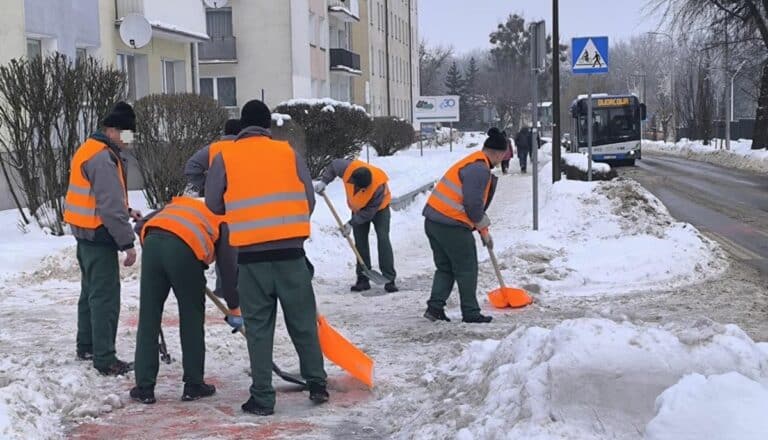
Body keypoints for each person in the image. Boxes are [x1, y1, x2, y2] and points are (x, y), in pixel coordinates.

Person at [206, 100, 328, 416]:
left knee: (259, 329)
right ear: (267, 126)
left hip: (251, 258)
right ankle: (316, 383)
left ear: (242, 126)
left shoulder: (225, 156)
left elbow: (213, 204)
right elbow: (308, 199)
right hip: (291, 255)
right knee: (302, 322)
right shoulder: (288, 153)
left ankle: (262, 397)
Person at [130, 196, 241, 404]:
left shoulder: (183, 204)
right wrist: (234, 306)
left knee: (149, 316)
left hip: (153, 244)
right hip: (183, 251)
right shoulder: (224, 221)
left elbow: (141, 225)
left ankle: (144, 387)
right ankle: (194, 384)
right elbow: (227, 269)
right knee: (191, 317)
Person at [64, 101, 140, 376]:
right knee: (105, 297)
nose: (130, 140)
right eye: (128, 134)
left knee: (90, 294)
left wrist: (127, 210)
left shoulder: (89, 149)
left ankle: (87, 345)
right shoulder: (103, 157)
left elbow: (98, 196)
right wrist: (127, 243)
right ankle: (105, 358)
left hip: (84, 232)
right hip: (98, 235)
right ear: (113, 130)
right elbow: (108, 204)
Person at [421, 127, 506, 324]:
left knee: (445, 268)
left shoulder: (473, 161)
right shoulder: (479, 169)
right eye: (503, 155)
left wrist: (482, 230)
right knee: (467, 268)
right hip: (452, 225)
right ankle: (470, 312)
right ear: (497, 153)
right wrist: (482, 224)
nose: (502, 159)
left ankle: (434, 308)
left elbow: (472, 204)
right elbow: (473, 205)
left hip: (434, 222)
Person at [314, 159, 398, 293]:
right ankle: (363, 279)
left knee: (383, 238)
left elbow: (369, 213)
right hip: (358, 208)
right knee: (360, 242)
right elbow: (333, 166)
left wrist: (351, 223)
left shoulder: (377, 187)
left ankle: (389, 278)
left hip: (380, 209)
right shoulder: (347, 168)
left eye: (362, 189)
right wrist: (324, 181)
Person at [183, 118, 240, 309]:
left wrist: (208, 186)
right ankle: (237, 290)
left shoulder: (213, 149)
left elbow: (191, 168)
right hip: (242, 206)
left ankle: (222, 289)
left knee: (224, 251)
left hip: (219, 208)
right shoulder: (245, 149)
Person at [184, 118, 242, 196]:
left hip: (217, 197)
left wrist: (208, 184)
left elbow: (191, 166)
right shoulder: (247, 148)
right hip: (242, 195)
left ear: (225, 132)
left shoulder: (212, 148)